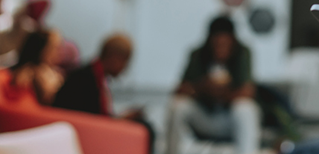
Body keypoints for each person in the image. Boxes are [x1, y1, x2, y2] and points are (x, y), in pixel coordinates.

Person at [165, 15, 261, 154]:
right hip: (205, 116)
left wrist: (224, 93)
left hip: (228, 119)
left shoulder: (243, 53)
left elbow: (248, 92)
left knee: (245, 109)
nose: (220, 48)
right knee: (177, 106)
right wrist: (203, 87)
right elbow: (180, 90)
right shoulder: (198, 54)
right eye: (217, 44)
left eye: (225, 44)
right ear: (209, 41)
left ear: (233, 42)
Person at [52, 33, 155, 151]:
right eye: (125, 61)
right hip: (84, 133)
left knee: (143, 125)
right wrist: (120, 121)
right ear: (114, 57)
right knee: (146, 128)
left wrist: (122, 118)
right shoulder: (85, 78)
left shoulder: (96, 76)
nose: (126, 68)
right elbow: (92, 118)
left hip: (92, 129)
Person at [7, 29, 63, 105]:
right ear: (42, 49)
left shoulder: (50, 70)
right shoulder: (28, 73)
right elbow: (49, 99)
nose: (58, 52)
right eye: (54, 48)